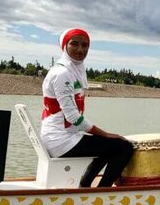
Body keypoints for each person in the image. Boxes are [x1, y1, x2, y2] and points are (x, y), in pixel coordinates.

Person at [40, 28, 134, 188]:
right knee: (124, 148)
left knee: (106, 144)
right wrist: (105, 133)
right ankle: (102, 191)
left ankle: (85, 186)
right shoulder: (62, 74)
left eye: (85, 45)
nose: (80, 50)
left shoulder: (73, 70)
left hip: (61, 136)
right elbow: (73, 118)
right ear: (64, 46)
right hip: (60, 141)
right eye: (74, 44)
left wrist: (104, 137)